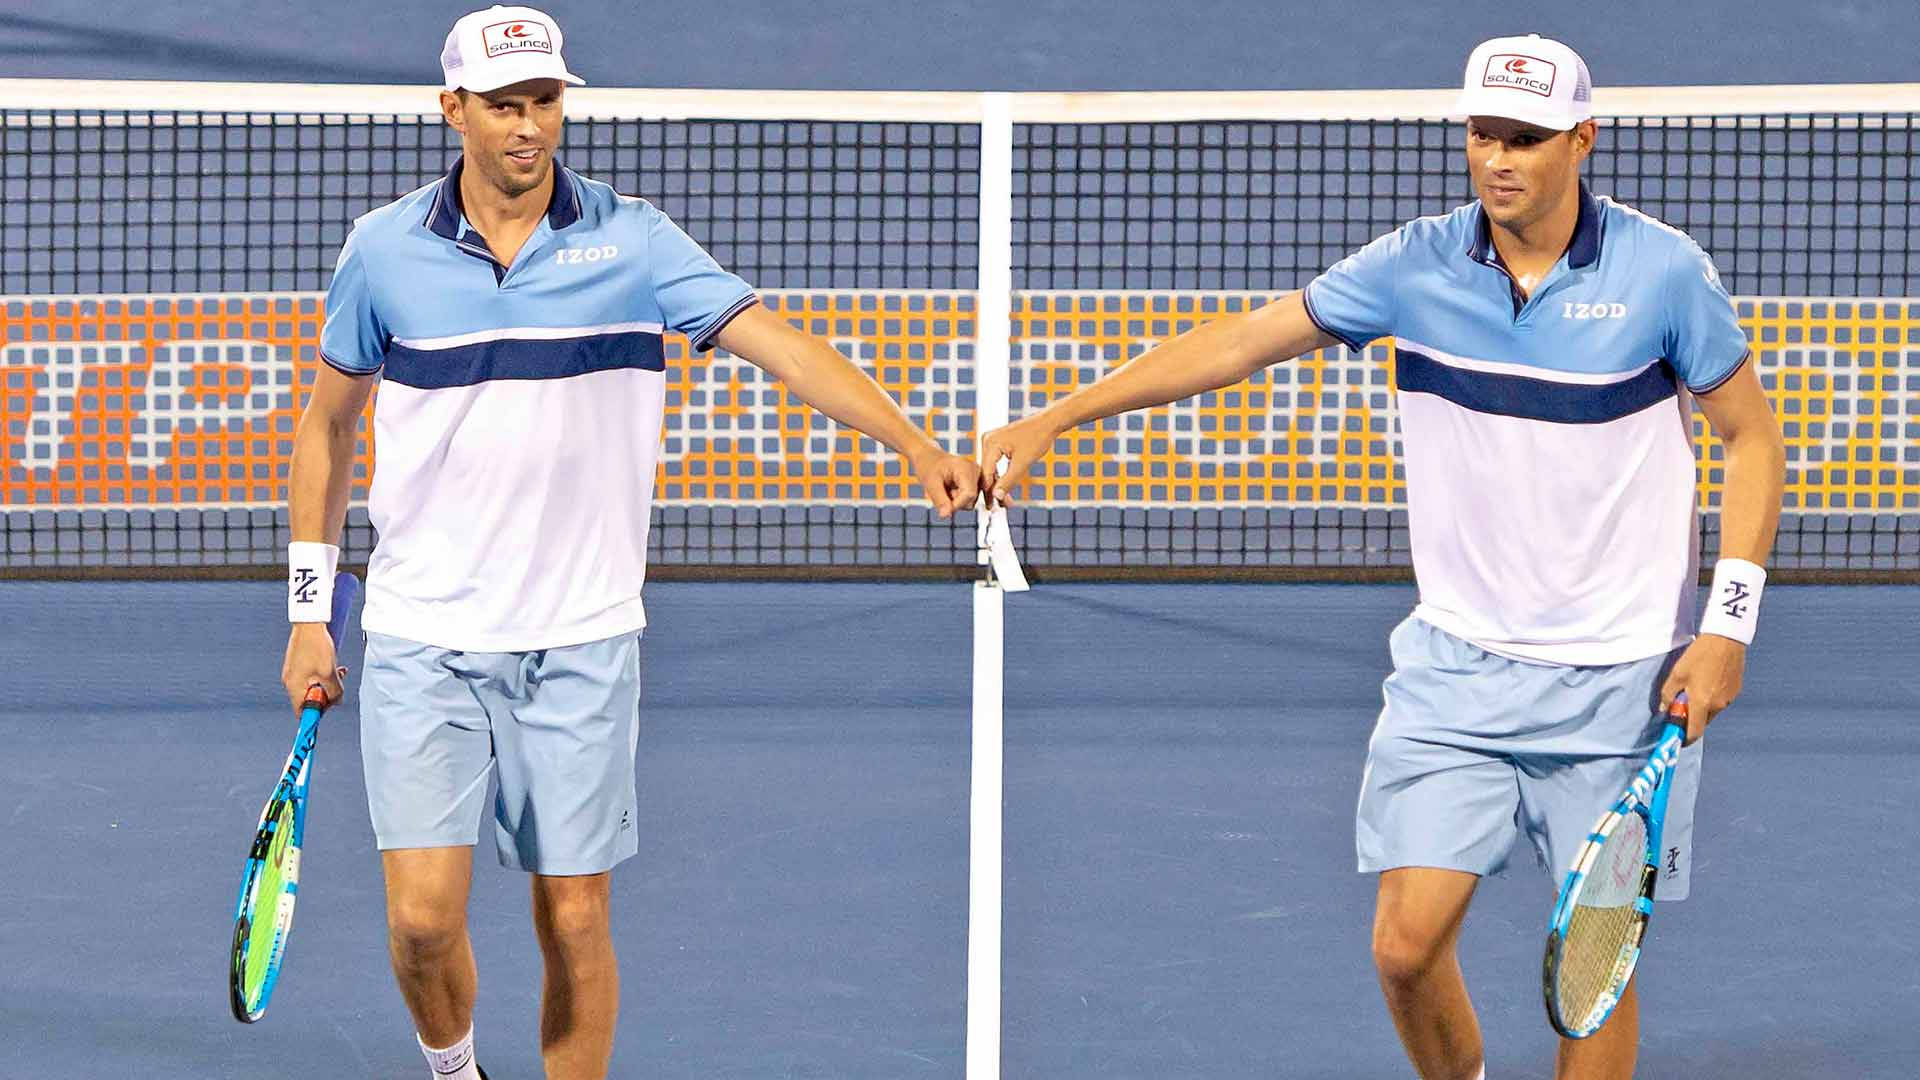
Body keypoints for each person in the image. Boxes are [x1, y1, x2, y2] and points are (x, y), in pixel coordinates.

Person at [980, 34, 1785, 1080]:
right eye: (1482, 133)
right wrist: (1059, 414)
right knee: (1404, 948)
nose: (1498, 158)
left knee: (1598, 972)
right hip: (1456, 670)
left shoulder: (1665, 276)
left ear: (1582, 140)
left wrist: (1727, 629)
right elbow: (1240, 342)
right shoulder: (1414, 265)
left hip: (1624, 680)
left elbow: (1752, 439)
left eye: (1527, 139)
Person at [277, 7, 980, 1078]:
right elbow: (326, 426)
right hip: (423, 637)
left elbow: (779, 347)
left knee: (573, 920)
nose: (529, 127)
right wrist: (306, 613)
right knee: (422, 923)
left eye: (546, 101)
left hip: (582, 639)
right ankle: (457, 1070)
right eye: (505, 105)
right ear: (452, 108)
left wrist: (912, 442)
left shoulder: (634, 239)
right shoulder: (381, 253)